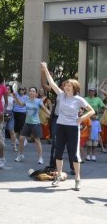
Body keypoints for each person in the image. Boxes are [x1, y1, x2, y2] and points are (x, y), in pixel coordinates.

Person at [41, 62, 95, 191]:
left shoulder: (78, 99)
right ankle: (59, 175)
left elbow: (92, 111)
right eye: (65, 85)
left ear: (74, 87)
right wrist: (45, 69)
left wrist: (81, 118)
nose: (66, 87)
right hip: (60, 126)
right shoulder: (61, 95)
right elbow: (52, 83)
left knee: (74, 155)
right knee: (58, 153)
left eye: (68, 85)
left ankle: (77, 178)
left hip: (72, 128)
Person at [13, 87, 50, 164]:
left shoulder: (38, 101)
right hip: (27, 123)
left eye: (33, 91)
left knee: (37, 140)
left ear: (36, 93)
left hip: (36, 123)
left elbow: (45, 109)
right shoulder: (26, 100)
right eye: (30, 91)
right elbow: (21, 104)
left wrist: (51, 115)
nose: (32, 92)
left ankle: (40, 158)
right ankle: (20, 154)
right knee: (21, 138)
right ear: (29, 92)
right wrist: (16, 97)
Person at [4, 85, 17, 151]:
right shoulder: (2, 96)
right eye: (6, 89)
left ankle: (14, 145)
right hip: (3, 115)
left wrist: (15, 97)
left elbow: (17, 104)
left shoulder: (12, 97)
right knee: (1, 131)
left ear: (11, 90)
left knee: (11, 130)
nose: (7, 90)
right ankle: (0, 145)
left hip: (11, 115)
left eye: (9, 89)